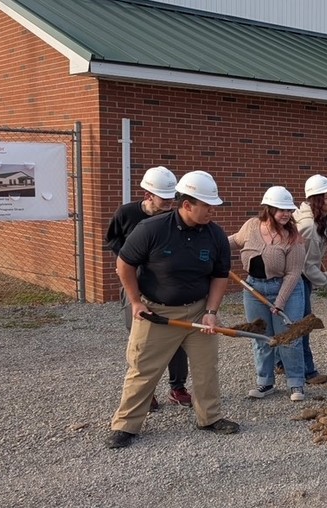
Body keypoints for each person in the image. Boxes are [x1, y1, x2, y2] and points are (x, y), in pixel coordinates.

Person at [106, 170, 237, 449]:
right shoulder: (152, 229)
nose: (212, 210)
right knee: (143, 369)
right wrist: (136, 301)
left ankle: (210, 418)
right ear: (187, 205)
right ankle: (126, 425)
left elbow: (220, 275)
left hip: (199, 311)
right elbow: (124, 264)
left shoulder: (214, 234)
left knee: (206, 369)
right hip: (157, 313)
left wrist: (212, 311)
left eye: (214, 205)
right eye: (207, 205)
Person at [104, 166, 191, 410]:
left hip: (166, 288)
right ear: (148, 196)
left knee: (176, 338)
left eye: (172, 198)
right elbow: (113, 238)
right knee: (141, 341)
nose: (169, 203)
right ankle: (145, 392)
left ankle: (178, 388)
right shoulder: (127, 214)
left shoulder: (175, 218)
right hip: (136, 287)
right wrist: (127, 263)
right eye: (164, 198)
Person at [230, 186, 308, 402]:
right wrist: (212, 247)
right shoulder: (252, 226)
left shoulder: (294, 238)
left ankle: (296, 383)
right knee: (260, 336)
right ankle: (265, 382)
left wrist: (280, 302)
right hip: (253, 288)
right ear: (268, 209)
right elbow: (235, 240)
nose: (286, 214)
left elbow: (293, 274)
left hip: (286, 290)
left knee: (288, 337)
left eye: (289, 210)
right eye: (281, 209)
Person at [292, 175, 327, 385]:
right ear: (315, 199)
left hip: (298, 275)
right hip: (297, 279)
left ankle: (283, 364)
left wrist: (325, 276)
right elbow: (307, 265)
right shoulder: (309, 227)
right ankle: (308, 372)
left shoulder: (315, 218)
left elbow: (314, 259)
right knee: (304, 324)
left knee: (293, 323)